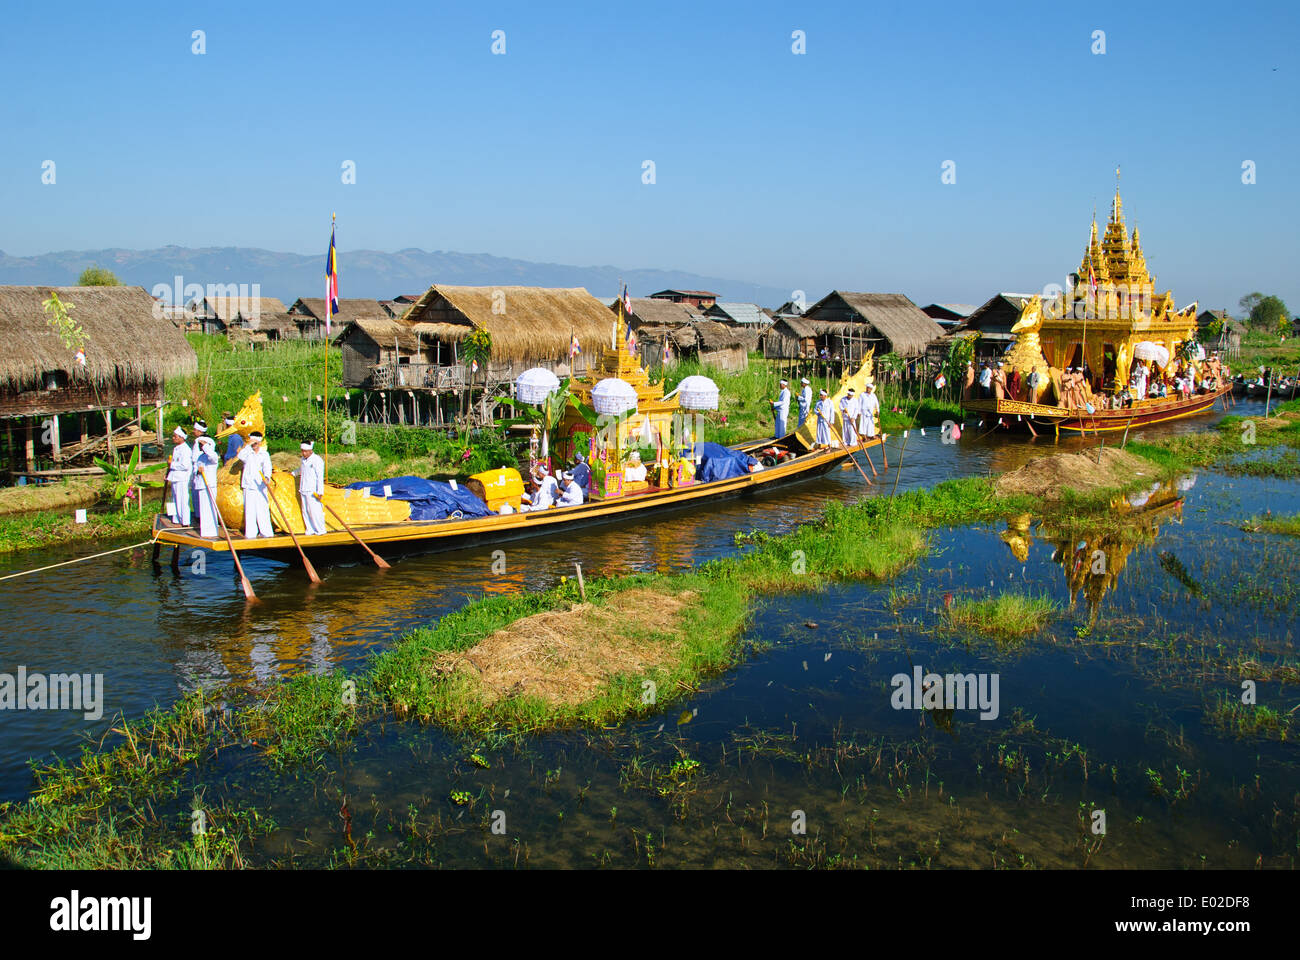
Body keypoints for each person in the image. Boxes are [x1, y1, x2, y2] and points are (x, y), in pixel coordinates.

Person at [237, 431, 275, 537]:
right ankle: (251, 533)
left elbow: (267, 467)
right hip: (249, 485)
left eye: (255, 443)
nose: (254, 445)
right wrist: (249, 446)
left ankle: (266, 532)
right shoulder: (247, 453)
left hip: (260, 485)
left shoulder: (264, 454)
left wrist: (267, 477)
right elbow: (240, 456)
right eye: (253, 443)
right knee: (250, 510)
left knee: (262, 509)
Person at [294, 440, 326, 535]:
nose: (303, 453)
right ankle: (310, 529)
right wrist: (292, 473)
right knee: (306, 511)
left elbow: (320, 477)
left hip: (313, 491)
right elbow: (301, 469)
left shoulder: (317, 460)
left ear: (310, 450)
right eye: (302, 451)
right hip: (304, 488)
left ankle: (320, 529)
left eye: (305, 451)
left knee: (315, 511)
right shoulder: (303, 460)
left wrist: (320, 491)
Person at [192, 435, 219, 538]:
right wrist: (198, 471)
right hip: (201, 485)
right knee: (203, 509)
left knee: (210, 507)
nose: (200, 447)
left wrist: (205, 445)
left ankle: (212, 531)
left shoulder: (212, 455)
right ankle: (205, 531)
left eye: (201, 445)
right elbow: (195, 469)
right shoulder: (200, 457)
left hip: (210, 485)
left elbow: (212, 457)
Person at [165, 426, 193, 526]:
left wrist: (171, 464)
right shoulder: (177, 448)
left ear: (181, 437)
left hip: (182, 478)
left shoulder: (186, 449)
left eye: (175, 436)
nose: (173, 438)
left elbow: (185, 465)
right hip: (175, 477)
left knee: (182, 499)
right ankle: (176, 518)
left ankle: (185, 521)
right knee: (174, 498)